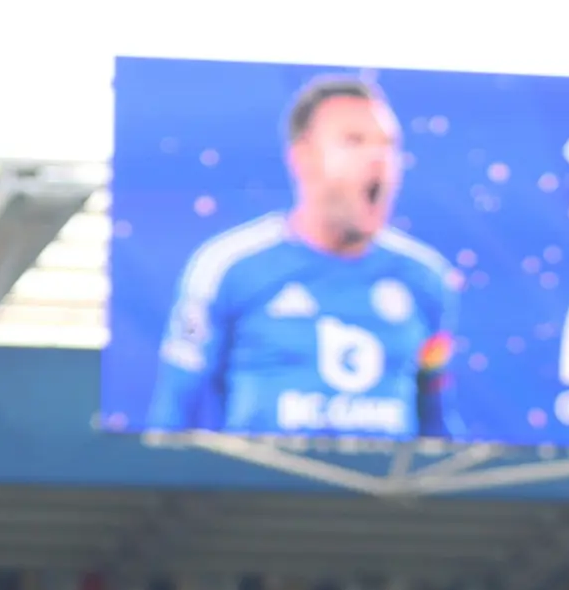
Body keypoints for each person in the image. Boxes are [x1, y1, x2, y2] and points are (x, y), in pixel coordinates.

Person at [150, 74, 463, 438]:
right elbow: (172, 418)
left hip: (389, 477)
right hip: (260, 476)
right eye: (354, 141)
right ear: (304, 158)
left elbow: (437, 423)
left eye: (388, 145)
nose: (378, 158)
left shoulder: (427, 279)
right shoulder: (227, 267)